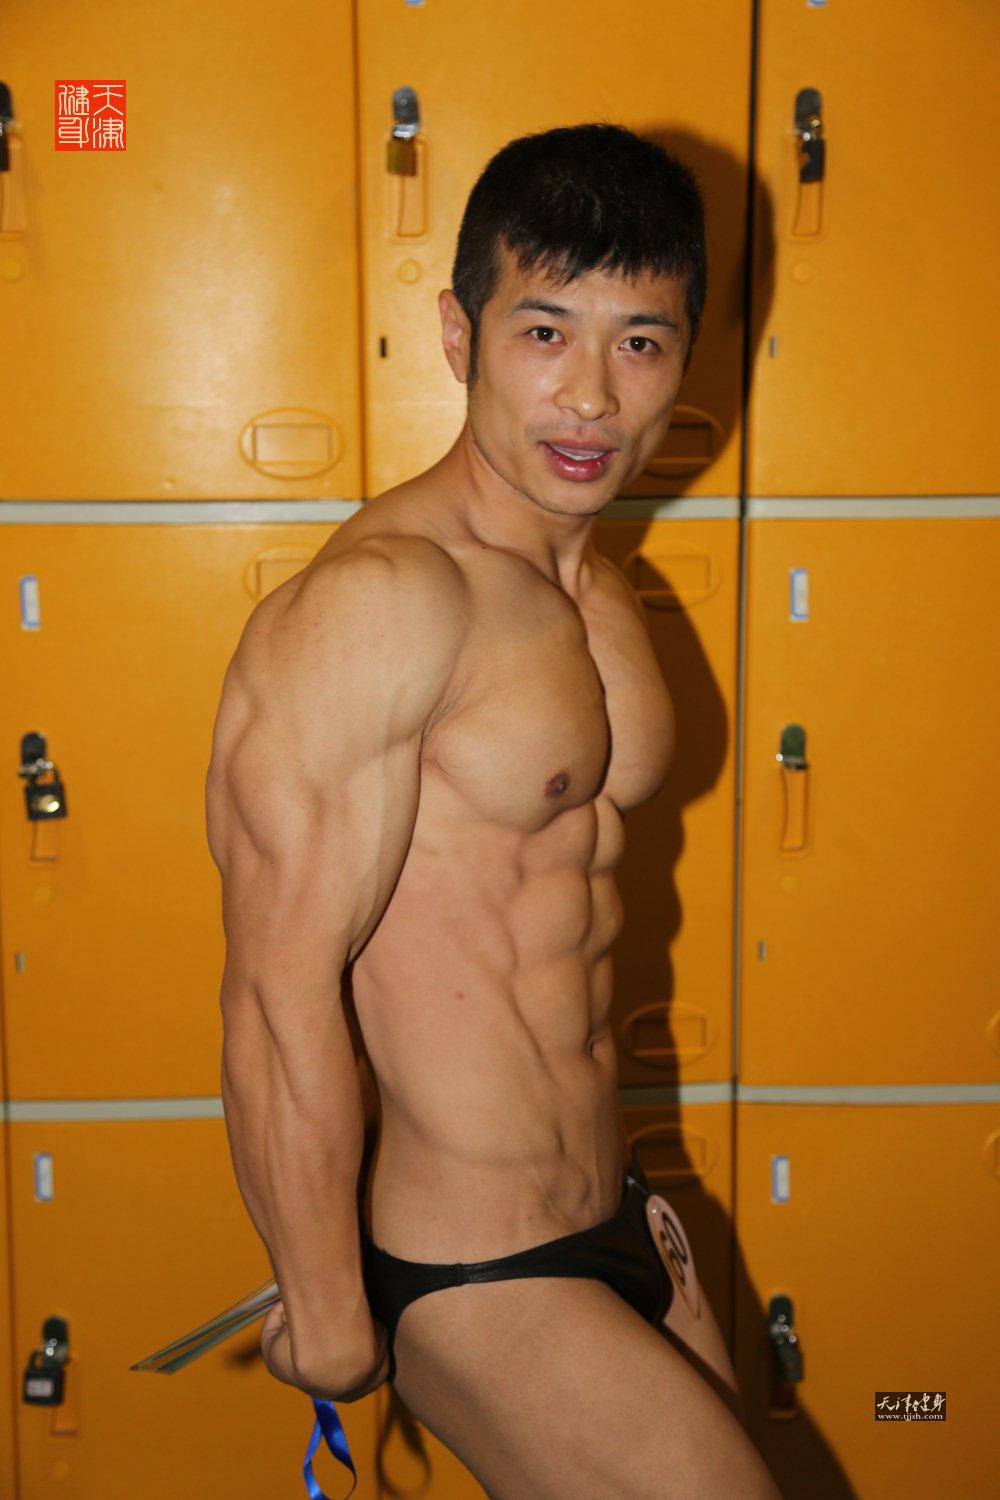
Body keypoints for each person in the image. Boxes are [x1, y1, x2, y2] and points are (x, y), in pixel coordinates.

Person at [206, 123, 781, 1499]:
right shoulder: (385, 604)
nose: (591, 396)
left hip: (614, 1210)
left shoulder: (601, 589)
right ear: (460, 336)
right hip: (478, 1261)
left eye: (640, 342)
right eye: (545, 332)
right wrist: (325, 1304)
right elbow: (277, 987)